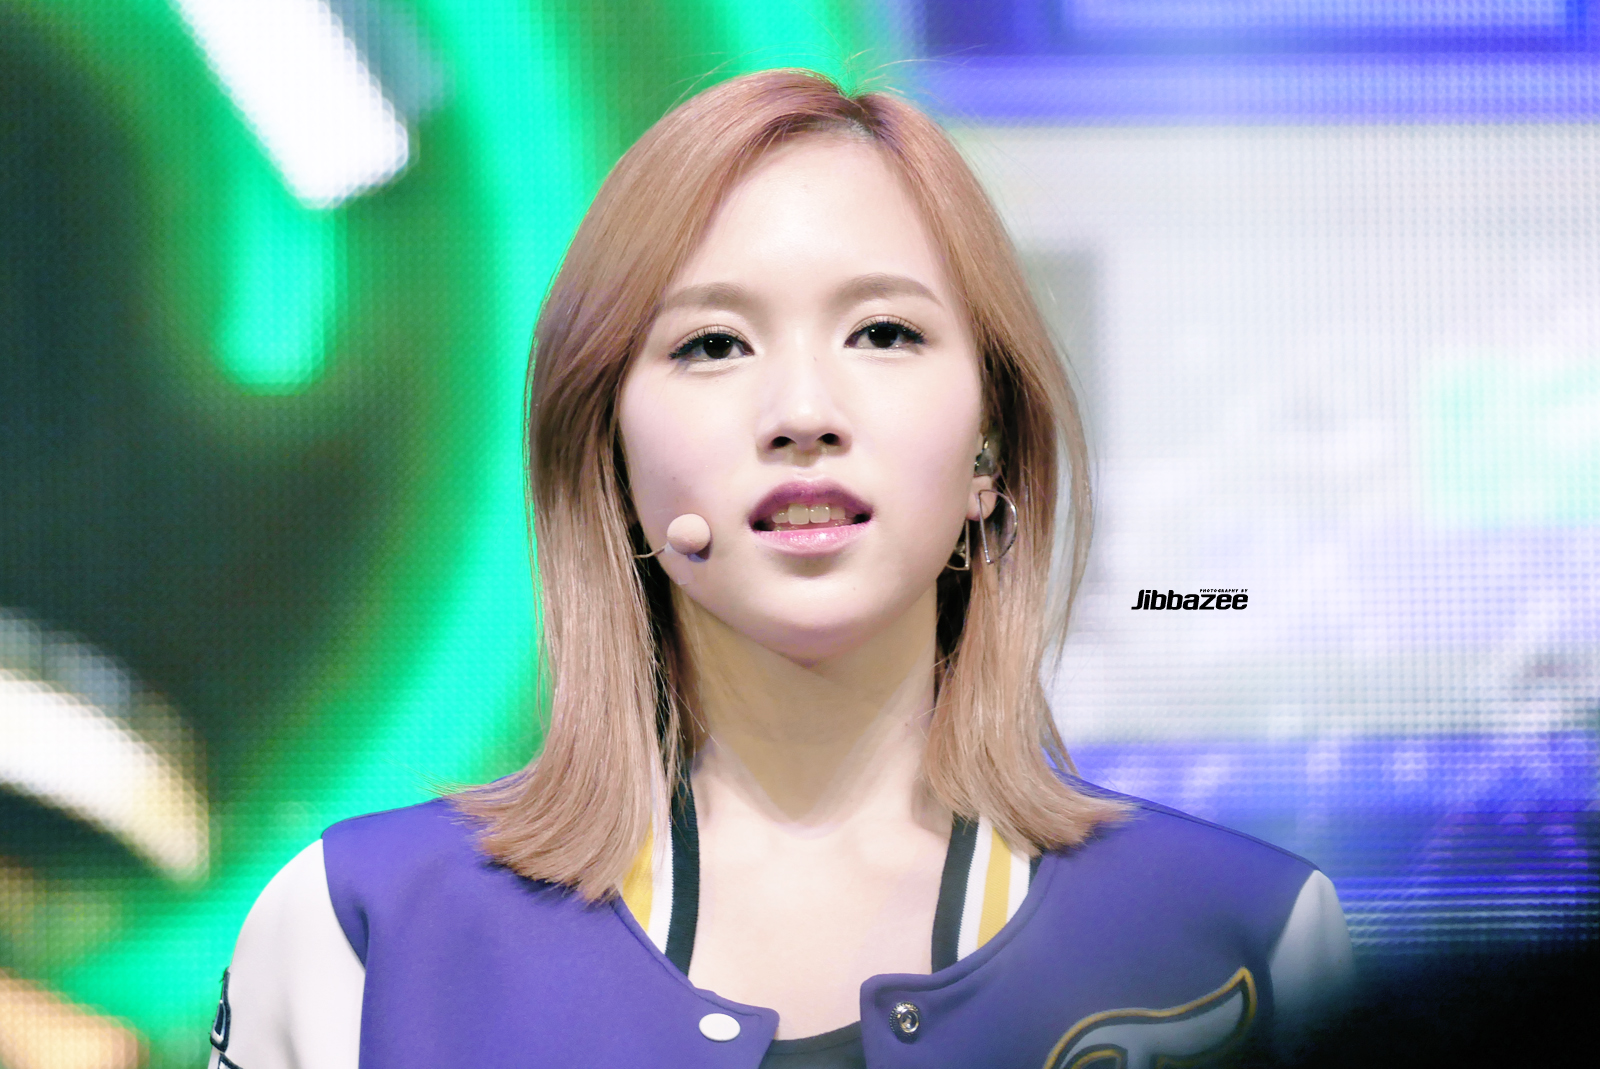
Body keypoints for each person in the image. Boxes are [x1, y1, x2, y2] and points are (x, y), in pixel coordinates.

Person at [208, 69, 1352, 1069]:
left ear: (990, 450)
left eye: (883, 333)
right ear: (608, 454)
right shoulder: (361, 931)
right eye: (712, 344)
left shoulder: (1244, 942)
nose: (803, 412)